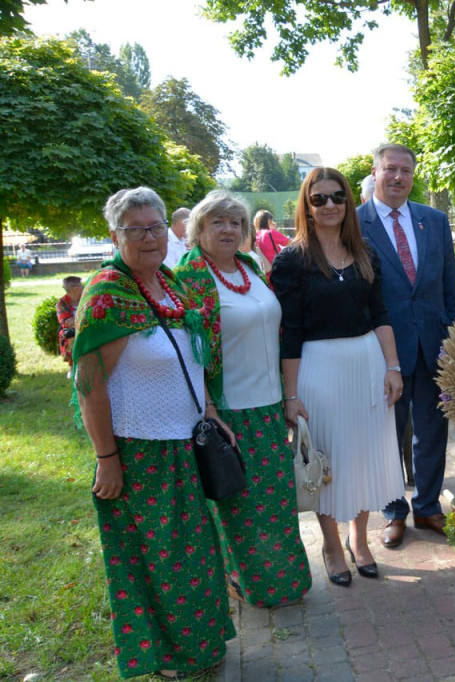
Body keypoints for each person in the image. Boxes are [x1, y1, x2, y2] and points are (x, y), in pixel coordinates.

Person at [74, 187, 235, 678]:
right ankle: (170, 654)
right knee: (163, 562)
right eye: (135, 229)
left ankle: (202, 644)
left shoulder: (170, 283)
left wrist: (209, 409)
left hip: (187, 442)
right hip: (142, 451)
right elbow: (89, 385)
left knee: (199, 555)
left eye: (156, 226)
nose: (149, 237)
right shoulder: (107, 295)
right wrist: (107, 457)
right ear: (114, 235)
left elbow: (193, 358)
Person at [174, 190, 312, 607]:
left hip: (269, 405)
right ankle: (253, 584)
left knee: (278, 502)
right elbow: (188, 351)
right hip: (231, 408)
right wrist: (210, 410)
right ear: (198, 230)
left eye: (235, 222)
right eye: (218, 222)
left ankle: (287, 581)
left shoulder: (250, 267)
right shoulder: (191, 278)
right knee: (244, 507)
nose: (228, 229)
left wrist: (289, 396)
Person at [272, 168, 406, 585]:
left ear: (348, 202)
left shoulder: (365, 251)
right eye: (319, 199)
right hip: (319, 368)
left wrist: (393, 366)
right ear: (306, 207)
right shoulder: (291, 260)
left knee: (363, 456)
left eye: (337, 197)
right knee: (327, 461)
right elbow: (289, 331)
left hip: (366, 363)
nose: (329, 205)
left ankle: (359, 539)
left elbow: (381, 314)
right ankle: (331, 545)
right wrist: (290, 396)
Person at [355, 144, 455, 549]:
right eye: (390, 169)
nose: (398, 177)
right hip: (383, 351)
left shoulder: (433, 221)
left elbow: (451, 285)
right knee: (388, 432)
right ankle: (393, 512)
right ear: (375, 171)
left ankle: (427, 506)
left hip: (435, 345)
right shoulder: (355, 224)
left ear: (413, 175)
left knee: (433, 430)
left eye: (405, 170)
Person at [56, 275, 84, 368]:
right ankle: (73, 365)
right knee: (71, 338)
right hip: (71, 331)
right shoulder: (62, 303)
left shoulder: (86, 299)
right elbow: (67, 322)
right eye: (80, 285)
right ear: (72, 289)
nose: (83, 287)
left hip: (86, 326)